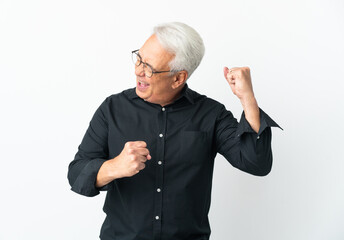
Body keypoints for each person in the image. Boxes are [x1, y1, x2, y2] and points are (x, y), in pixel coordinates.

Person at [67, 22, 282, 240]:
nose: (138, 70)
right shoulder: (112, 109)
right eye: (139, 59)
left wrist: (248, 99)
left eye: (149, 67)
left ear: (178, 78)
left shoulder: (211, 114)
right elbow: (76, 174)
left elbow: (257, 164)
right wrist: (114, 167)